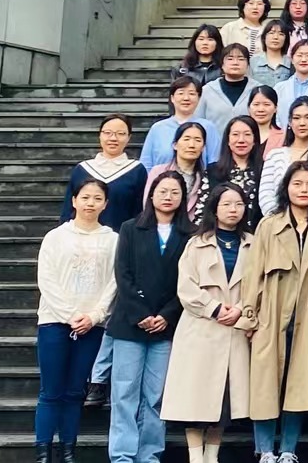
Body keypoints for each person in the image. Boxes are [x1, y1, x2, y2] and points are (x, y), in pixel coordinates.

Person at [244, 161, 308, 463]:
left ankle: (288, 450)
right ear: (286, 187)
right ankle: (265, 450)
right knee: (265, 383)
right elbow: (253, 273)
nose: (304, 190)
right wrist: (250, 316)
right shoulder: (269, 225)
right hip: (272, 313)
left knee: (301, 383)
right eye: (297, 184)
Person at [162, 184, 253, 463]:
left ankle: (212, 455)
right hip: (200, 328)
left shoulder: (253, 243)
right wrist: (214, 308)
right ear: (214, 208)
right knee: (195, 396)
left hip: (235, 328)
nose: (233, 210)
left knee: (223, 399)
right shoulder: (197, 243)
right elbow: (186, 286)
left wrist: (240, 309)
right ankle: (195, 457)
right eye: (226, 204)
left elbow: (260, 285)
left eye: (238, 204)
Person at [108, 171, 193, 463]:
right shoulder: (130, 228)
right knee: (124, 393)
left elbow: (190, 282)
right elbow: (123, 273)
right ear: (151, 194)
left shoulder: (190, 235)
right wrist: (141, 313)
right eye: (163, 191)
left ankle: (149, 454)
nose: (168, 197)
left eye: (175, 192)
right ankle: (122, 455)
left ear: (183, 198)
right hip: (130, 323)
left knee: (156, 395)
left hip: (167, 325)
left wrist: (167, 314)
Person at [35, 178, 117, 463]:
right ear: (74, 200)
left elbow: (114, 283)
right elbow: (46, 280)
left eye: (97, 198)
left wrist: (94, 316)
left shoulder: (113, 239)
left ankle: (68, 451)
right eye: (85, 197)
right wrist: (70, 315)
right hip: (54, 322)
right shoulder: (55, 237)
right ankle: (43, 453)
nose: (90, 203)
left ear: (105, 204)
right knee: (51, 392)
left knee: (74, 392)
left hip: (92, 325)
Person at [64, 114, 147, 228]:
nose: (113, 138)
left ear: (129, 137)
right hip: (82, 236)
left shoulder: (137, 170)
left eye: (121, 133)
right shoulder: (82, 169)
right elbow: (67, 211)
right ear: (100, 135)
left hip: (121, 237)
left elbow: (139, 212)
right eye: (107, 133)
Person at [142, 77, 222, 171]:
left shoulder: (208, 127)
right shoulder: (158, 128)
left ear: (199, 98)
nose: (186, 98)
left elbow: (215, 162)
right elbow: (146, 164)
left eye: (192, 94)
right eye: (181, 93)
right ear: (172, 98)